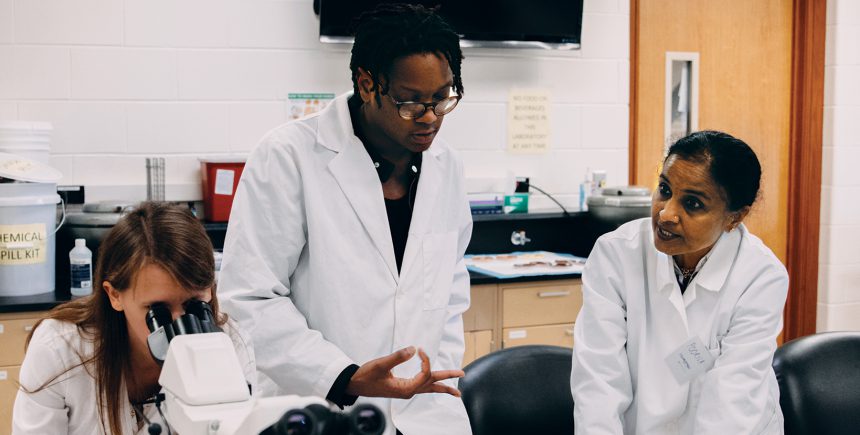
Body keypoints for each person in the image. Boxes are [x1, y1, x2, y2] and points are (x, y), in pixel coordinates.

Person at [217, 3, 472, 435]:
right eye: (410, 103)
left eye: (443, 99)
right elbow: (249, 299)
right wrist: (344, 375)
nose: (430, 118)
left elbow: (448, 291)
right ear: (367, 84)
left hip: (428, 416)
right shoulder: (289, 156)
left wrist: (434, 375)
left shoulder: (446, 167)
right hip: (318, 409)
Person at [571, 131, 788, 434]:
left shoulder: (759, 277)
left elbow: (732, 403)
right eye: (664, 189)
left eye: (693, 204)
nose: (666, 213)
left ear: (735, 218)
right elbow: (598, 380)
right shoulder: (616, 256)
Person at [13, 202, 256, 434]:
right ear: (114, 295)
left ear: (211, 290)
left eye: (193, 305)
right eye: (157, 311)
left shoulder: (231, 343)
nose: (178, 325)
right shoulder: (60, 349)